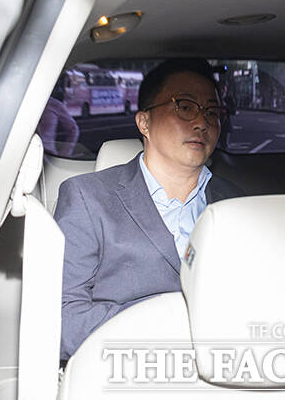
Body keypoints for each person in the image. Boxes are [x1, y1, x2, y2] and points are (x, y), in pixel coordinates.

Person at [55, 59, 244, 360]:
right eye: (185, 107)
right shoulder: (87, 198)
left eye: (211, 111)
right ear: (144, 123)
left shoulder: (238, 204)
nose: (202, 122)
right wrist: (173, 326)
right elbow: (63, 319)